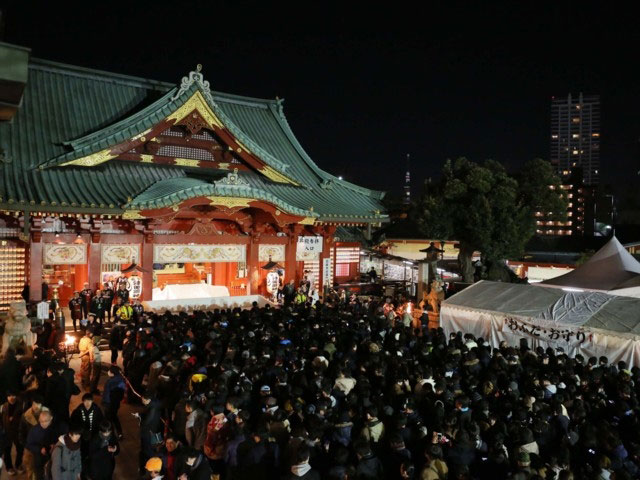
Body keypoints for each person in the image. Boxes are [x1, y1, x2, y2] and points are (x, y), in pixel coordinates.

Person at [25, 410, 66, 480]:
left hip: (54, 458)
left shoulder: (57, 428)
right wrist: (40, 449)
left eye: (46, 421)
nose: (43, 423)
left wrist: (56, 446)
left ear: (51, 418)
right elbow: (29, 444)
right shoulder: (34, 430)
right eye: (41, 421)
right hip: (39, 458)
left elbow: (64, 440)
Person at [1, 388, 24, 476]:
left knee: (20, 449)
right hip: (7, 432)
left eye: (13, 395)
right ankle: (9, 467)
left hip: (18, 432)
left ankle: (18, 465)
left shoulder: (21, 406)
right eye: (9, 396)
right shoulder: (4, 407)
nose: (11, 398)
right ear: (6, 397)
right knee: (7, 451)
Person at [102, 366, 125, 439]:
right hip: (116, 404)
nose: (108, 372)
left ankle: (111, 436)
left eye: (109, 371)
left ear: (112, 373)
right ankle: (120, 433)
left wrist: (105, 403)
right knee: (115, 418)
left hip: (109, 404)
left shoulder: (110, 382)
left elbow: (106, 394)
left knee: (108, 420)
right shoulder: (121, 380)